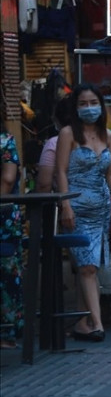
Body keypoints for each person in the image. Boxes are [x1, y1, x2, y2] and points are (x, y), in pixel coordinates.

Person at [55, 84, 111, 342]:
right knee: (87, 268)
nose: (89, 108)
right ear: (75, 107)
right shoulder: (68, 134)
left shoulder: (107, 135)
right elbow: (61, 171)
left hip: (101, 210)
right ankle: (97, 323)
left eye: (93, 102)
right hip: (77, 208)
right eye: (83, 103)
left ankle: (83, 321)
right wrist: (66, 205)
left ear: (101, 105)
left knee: (90, 266)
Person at [1, 117, 24, 349]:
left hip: (3, 219)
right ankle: (8, 332)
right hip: (5, 216)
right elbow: (8, 180)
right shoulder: (6, 141)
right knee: (8, 273)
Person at [36, 95, 72, 192]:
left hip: (68, 202)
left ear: (57, 119)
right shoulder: (93, 139)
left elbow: (44, 184)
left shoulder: (54, 143)